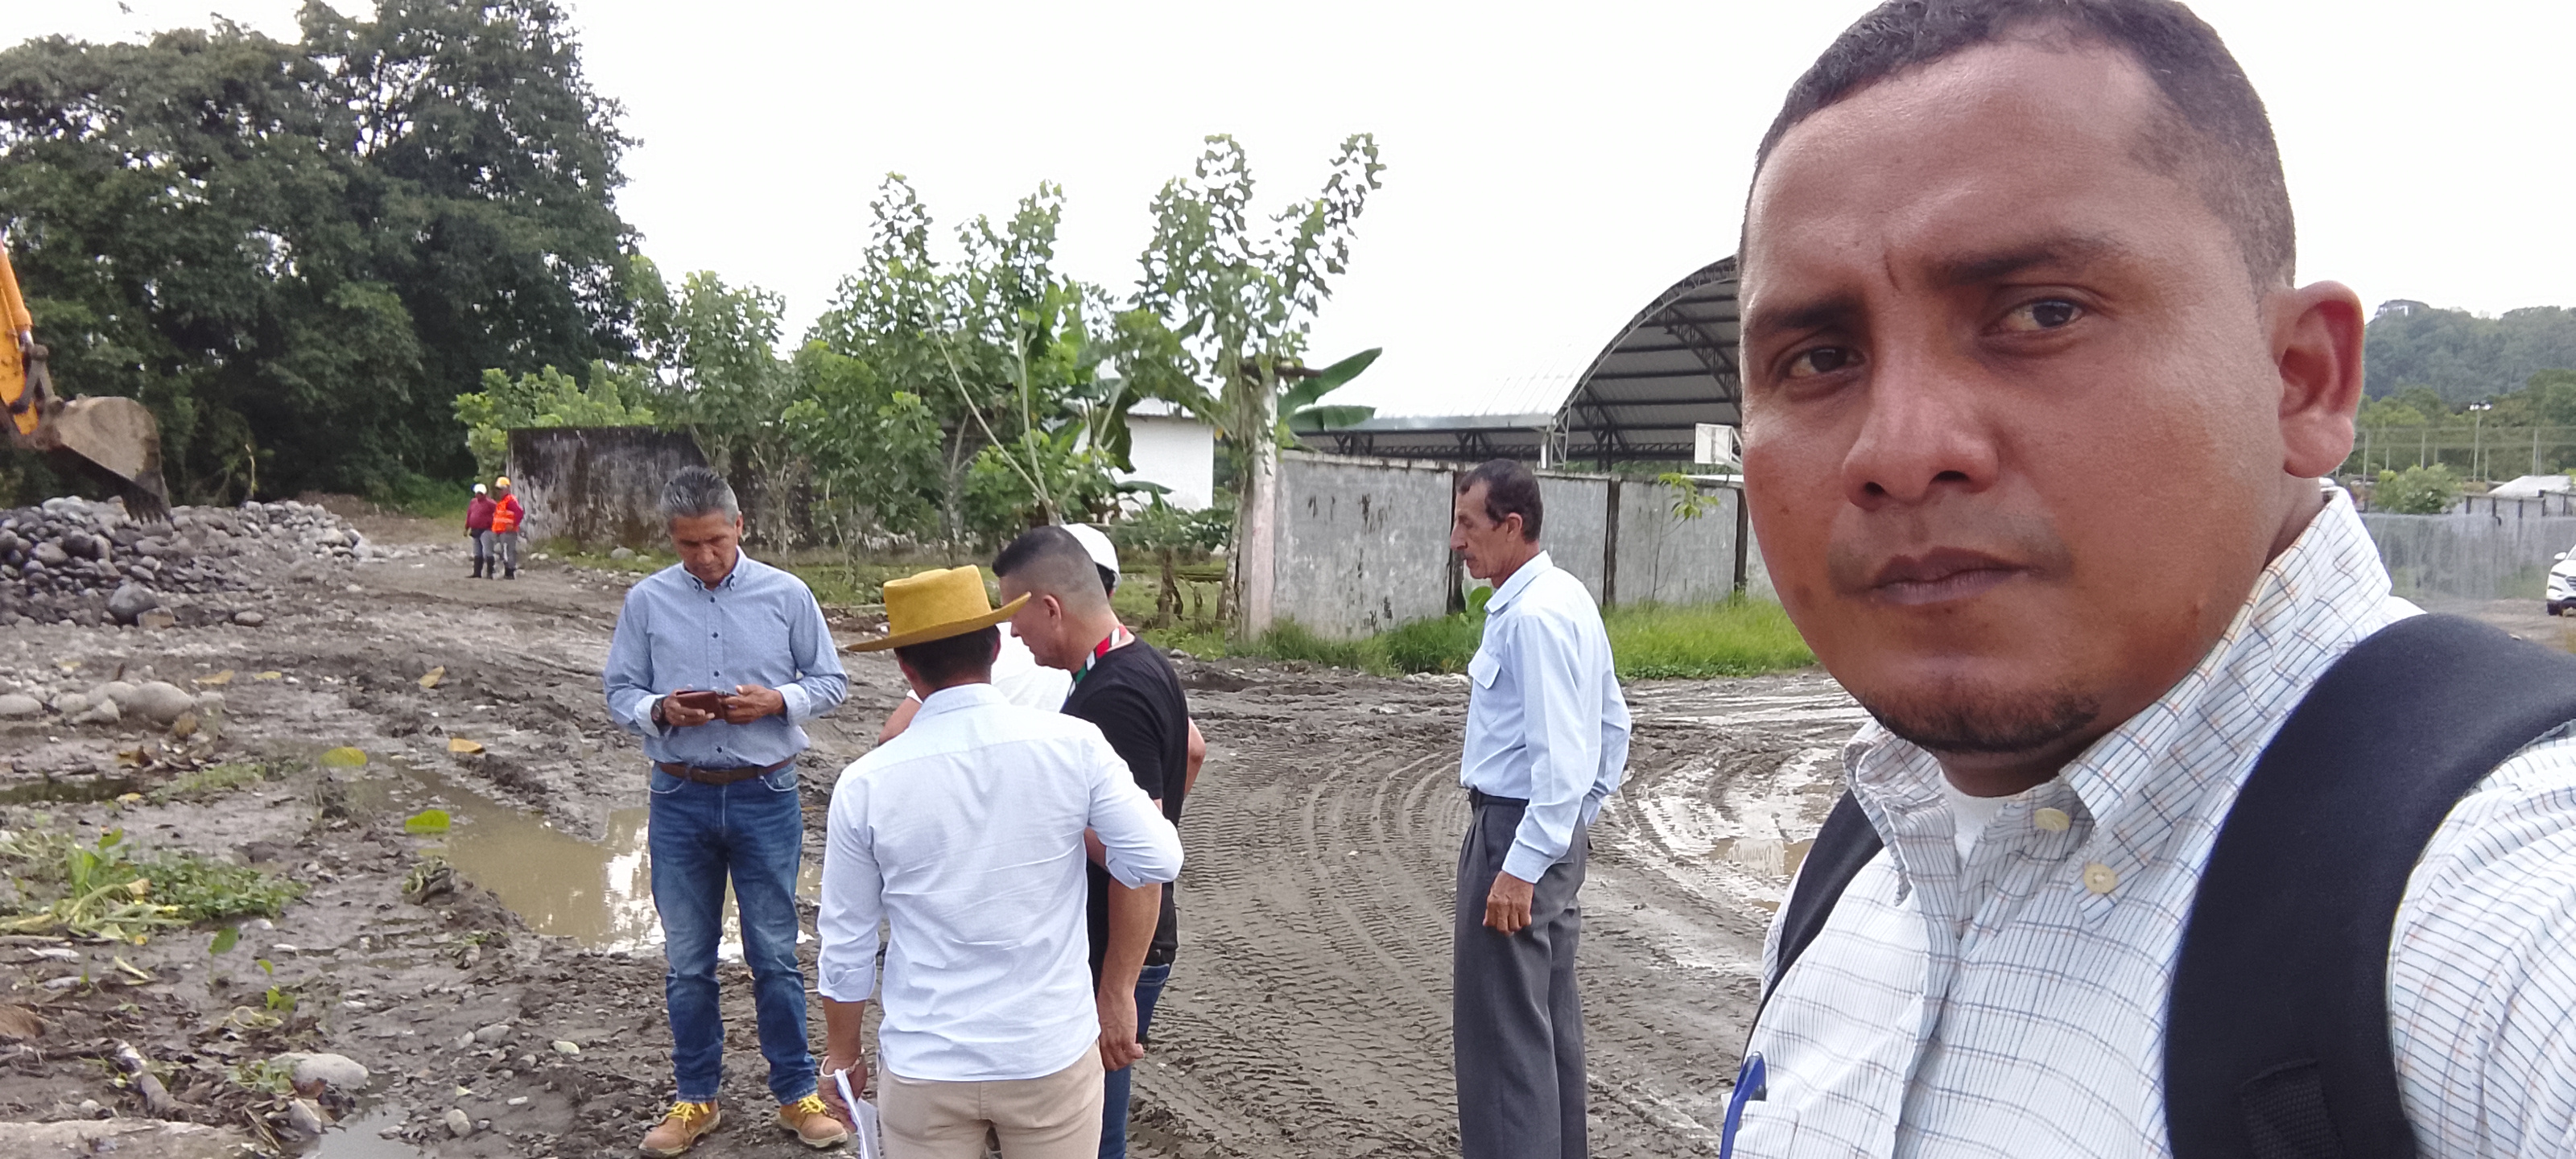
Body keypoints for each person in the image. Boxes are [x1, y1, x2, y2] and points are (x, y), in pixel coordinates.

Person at [1729, 2, 2576, 1156]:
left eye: (2042, 312)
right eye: (1820, 357)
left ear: (2300, 380)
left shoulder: (2489, 903)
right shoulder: (1856, 868)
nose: (1900, 449)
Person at [817, 564, 1183, 1159]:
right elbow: (1157, 856)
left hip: (927, 1062)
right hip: (1046, 1052)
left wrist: (843, 1054)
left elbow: (846, 941)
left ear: (905, 667)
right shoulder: (1072, 746)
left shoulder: (865, 783)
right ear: (994, 645)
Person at [601, 466, 852, 1155]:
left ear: (740, 526)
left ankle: (796, 1096)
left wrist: (778, 701)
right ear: (671, 538)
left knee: (775, 953)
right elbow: (619, 690)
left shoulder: (787, 595)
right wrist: (659, 710)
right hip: (678, 795)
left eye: (716, 540)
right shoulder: (647, 601)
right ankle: (696, 1099)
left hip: (764, 793)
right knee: (688, 962)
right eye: (689, 545)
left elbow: (831, 681)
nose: (705, 556)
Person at [1447, 458, 1630, 1159]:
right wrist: (1574, 825)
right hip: (1546, 832)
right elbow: (1613, 727)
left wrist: (1523, 863)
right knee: (1547, 1030)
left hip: (1514, 833)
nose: (1458, 541)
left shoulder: (1532, 617)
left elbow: (1559, 755)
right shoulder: (1566, 596)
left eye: (1469, 524)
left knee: (1503, 1045)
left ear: (1511, 525)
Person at [993, 526, 1195, 1159]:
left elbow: (1138, 861)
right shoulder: (1136, 663)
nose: (1014, 636)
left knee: (1092, 1133)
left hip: (1115, 949)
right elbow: (1193, 750)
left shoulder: (1114, 696)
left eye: (1016, 618)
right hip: (1125, 943)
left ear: (1051, 607)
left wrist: (1115, 991)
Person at [489, 476, 525, 580]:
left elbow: (519, 512)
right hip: (500, 531)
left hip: (508, 532)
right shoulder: (502, 501)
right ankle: (506, 571)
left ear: (507, 489)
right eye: (498, 489)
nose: (499, 492)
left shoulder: (510, 500)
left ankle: (510, 572)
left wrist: (513, 524)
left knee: (508, 551)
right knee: (502, 551)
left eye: (501, 489)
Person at [465, 483, 495, 579]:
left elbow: (498, 512)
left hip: (486, 529)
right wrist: (466, 528)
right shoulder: (473, 502)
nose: (478, 495)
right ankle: (477, 573)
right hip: (475, 530)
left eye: (480, 493)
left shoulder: (491, 503)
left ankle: (490, 573)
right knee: (477, 552)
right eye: (477, 493)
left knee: (487, 552)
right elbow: (469, 515)